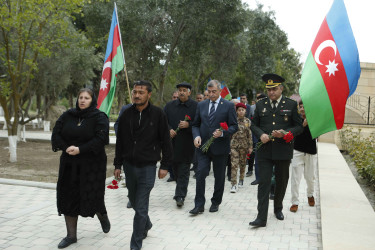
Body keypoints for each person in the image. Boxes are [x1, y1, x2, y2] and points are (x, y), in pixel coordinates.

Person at [113, 80, 173, 250]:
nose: (137, 95)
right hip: (129, 166)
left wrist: (165, 165)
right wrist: (118, 164)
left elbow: (166, 142)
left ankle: (135, 245)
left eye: (141, 92)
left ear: (149, 94)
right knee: (133, 200)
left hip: (148, 167)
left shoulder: (158, 114)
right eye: (135, 92)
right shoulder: (125, 114)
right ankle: (146, 224)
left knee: (140, 207)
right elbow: (120, 142)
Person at [51, 88, 110, 249]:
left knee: (92, 196)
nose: (82, 100)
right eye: (80, 97)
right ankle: (71, 236)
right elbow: (56, 134)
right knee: (68, 196)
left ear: (93, 100)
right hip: (69, 164)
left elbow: (101, 138)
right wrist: (66, 147)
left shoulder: (99, 117)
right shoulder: (67, 115)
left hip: (92, 165)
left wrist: (80, 149)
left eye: (87, 98)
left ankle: (102, 215)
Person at [249, 73, 303, 227]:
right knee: (264, 183)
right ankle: (261, 217)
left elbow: (299, 126)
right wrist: (261, 135)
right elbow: (253, 125)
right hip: (265, 150)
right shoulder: (260, 105)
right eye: (269, 89)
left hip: (283, 150)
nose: (271, 92)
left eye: (274, 89)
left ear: (281, 88)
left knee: (281, 182)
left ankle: (278, 208)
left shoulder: (291, 104)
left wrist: (286, 133)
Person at [190, 79, 238, 215]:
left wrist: (223, 133)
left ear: (220, 91)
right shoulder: (202, 105)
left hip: (220, 148)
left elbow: (234, 126)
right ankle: (199, 205)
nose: (211, 94)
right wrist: (196, 136)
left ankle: (216, 202)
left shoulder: (228, 105)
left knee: (219, 177)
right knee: (200, 174)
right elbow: (195, 124)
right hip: (202, 147)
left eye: (214, 92)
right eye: (209, 92)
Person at [164, 82, 198, 207]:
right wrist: (168, 129)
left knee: (184, 170)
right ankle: (180, 188)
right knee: (176, 171)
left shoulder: (195, 106)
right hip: (172, 145)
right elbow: (162, 121)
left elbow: (199, 123)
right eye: (180, 90)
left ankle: (180, 196)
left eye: (184, 90)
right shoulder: (169, 106)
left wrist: (189, 125)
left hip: (187, 145)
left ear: (189, 92)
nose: (182, 92)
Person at [290, 100, 318, 212]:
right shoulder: (296, 119)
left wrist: (311, 124)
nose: (302, 109)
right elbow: (293, 133)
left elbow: (317, 134)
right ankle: (295, 202)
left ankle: (310, 195)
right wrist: (302, 125)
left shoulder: (314, 119)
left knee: (310, 178)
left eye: (304, 107)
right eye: (300, 107)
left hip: (311, 152)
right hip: (297, 151)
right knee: (295, 178)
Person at [230, 102, 252, 193]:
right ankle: (233, 184)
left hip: (244, 146)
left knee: (242, 164)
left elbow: (249, 135)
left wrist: (250, 146)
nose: (241, 112)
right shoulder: (233, 120)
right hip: (234, 146)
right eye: (239, 110)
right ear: (237, 111)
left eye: (243, 110)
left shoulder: (248, 121)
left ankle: (241, 179)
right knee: (234, 164)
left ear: (245, 111)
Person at [114, 103, 133, 209]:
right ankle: (131, 197)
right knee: (130, 175)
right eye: (135, 92)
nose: (137, 95)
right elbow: (117, 124)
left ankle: (140, 197)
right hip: (127, 149)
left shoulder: (150, 110)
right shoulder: (125, 108)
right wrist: (121, 136)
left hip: (143, 149)